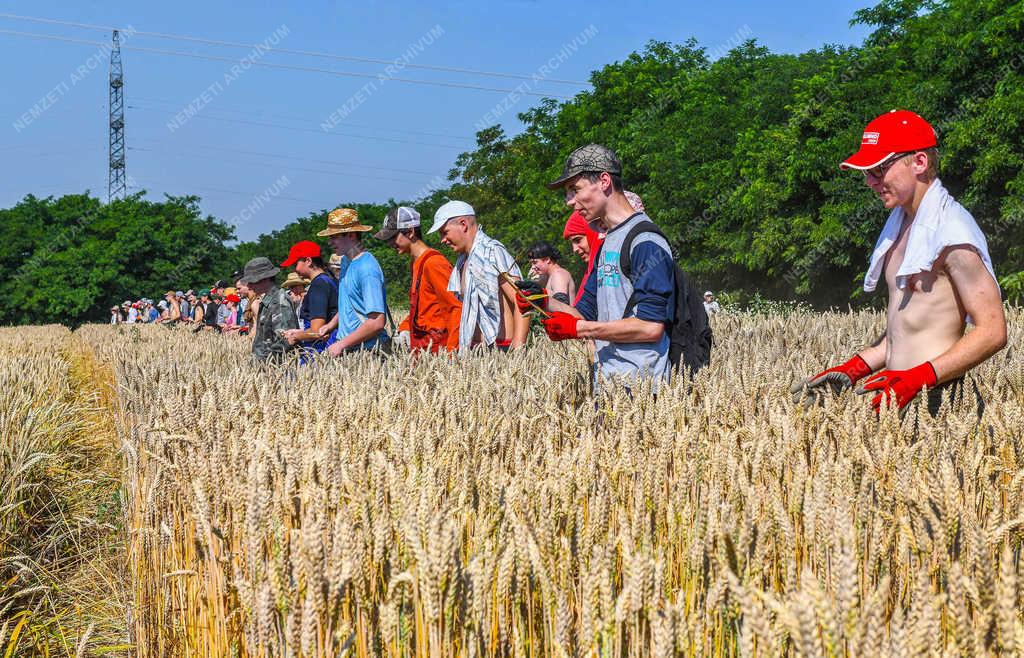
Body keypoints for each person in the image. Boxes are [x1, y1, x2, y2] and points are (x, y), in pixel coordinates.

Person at [793, 109, 1006, 416]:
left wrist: (918, 379)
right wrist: (855, 368)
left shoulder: (952, 232)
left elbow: (993, 331)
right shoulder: (900, 226)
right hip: (895, 394)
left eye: (878, 169)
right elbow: (907, 328)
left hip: (937, 400)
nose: (869, 181)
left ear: (919, 162)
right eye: (866, 172)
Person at [524, 144, 677, 393]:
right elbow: (584, 312)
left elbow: (651, 326)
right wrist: (542, 301)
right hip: (606, 383)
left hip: (642, 391)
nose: (569, 202)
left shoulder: (646, 241)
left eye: (575, 190)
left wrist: (581, 330)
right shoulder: (607, 244)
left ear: (604, 181)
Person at [427, 200, 529, 352]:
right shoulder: (462, 261)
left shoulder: (492, 252)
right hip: (475, 352)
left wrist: (518, 349)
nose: (442, 240)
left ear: (463, 224)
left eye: (444, 232)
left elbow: (523, 299)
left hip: (502, 349)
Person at [375, 206, 461, 353]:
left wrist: (453, 354)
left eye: (393, 237)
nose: (389, 243)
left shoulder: (434, 263)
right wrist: (404, 328)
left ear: (410, 231)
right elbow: (420, 308)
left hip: (438, 349)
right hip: (422, 348)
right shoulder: (415, 263)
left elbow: (456, 309)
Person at [313, 208, 392, 355]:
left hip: (368, 351)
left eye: (334, 237)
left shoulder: (367, 268)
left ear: (351, 235)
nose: (330, 242)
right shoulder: (345, 261)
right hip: (351, 348)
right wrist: (330, 326)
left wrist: (341, 344)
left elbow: (376, 321)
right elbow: (349, 303)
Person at [280, 241, 339, 356]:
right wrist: (299, 332)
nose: (294, 269)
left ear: (308, 261)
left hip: (319, 350)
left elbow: (317, 331)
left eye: (295, 264)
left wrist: (295, 336)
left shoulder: (318, 285)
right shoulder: (329, 280)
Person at [240, 256, 298, 362]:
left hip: (275, 369)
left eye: (252, 281)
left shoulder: (280, 301)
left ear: (265, 278)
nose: (249, 286)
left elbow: (284, 340)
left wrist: (267, 365)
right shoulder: (267, 300)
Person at [562, 211, 604, 306]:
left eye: (578, 240)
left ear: (592, 234)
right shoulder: (592, 272)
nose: (574, 249)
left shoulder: (609, 270)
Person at [527, 241, 576, 305]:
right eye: (531, 264)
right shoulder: (549, 276)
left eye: (535, 262)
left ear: (547, 259)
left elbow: (561, 306)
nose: (532, 267)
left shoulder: (558, 275)